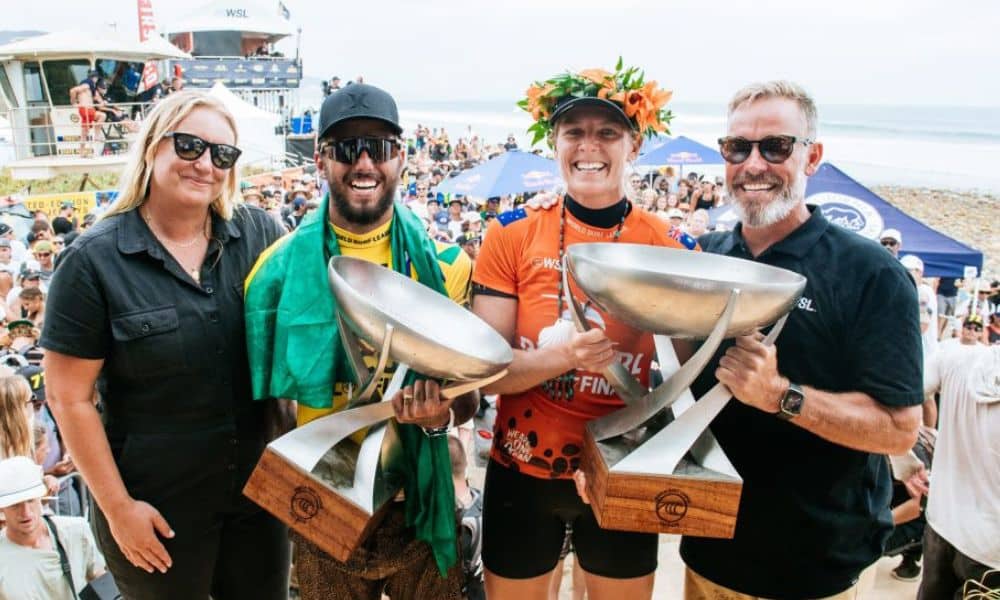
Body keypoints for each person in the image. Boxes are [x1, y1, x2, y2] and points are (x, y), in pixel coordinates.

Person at [40, 91, 289, 600]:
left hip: (259, 502)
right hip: (156, 509)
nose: (205, 164)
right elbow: (69, 398)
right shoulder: (92, 262)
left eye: (222, 154)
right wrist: (117, 510)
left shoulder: (259, 233)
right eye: (190, 145)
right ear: (154, 146)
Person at [679, 81, 923, 599]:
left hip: (815, 566)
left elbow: (899, 430)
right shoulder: (706, 257)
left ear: (812, 157)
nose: (753, 164)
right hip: (708, 549)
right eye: (737, 148)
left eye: (776, 147)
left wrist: (779, 396)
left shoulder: (870, 274)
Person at [244, 82, 476, 600]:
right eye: (347, 149)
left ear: (401, 158)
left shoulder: (446, 265)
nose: (364, 162)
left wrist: (440, 414)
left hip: (418, 495)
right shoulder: (273, 273)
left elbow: (470, 402)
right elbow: (265, 406)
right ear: (322, 160)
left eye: (379, 147)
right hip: (324, 503)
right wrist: (303, 493)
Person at [472, 62, 686, 600]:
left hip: (624, 467)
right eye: (575, 132)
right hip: (520, 468)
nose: (589, 145)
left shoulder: (669, 246)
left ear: (634, 145)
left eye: (607, 133)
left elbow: (685, 382)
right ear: (555, 143)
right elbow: (485, 372)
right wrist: (568, 356)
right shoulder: (511, 234)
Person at [918, 343, 999, 597]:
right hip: (991, 554)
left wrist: (906, 464)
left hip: (942, 525)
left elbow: (897, 396)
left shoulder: (955, 358)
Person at [0, 456, 107, 599]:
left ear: (41, 497)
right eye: (15, 505)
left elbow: (103, 583)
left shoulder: (75, 531)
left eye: (30, 500)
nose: (25, 512)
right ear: (2, 509)